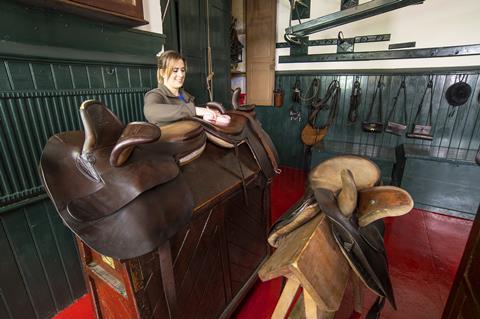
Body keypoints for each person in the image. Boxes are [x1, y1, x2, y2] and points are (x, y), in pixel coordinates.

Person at [144, 50, 222, 126]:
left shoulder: (185, 95)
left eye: (183, 70)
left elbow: (191, 117)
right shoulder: (155, 95)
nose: (181, 75)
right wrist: (195, 110)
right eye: (175, 70)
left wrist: (206, 115)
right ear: (162, 73)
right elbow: (150, 111)